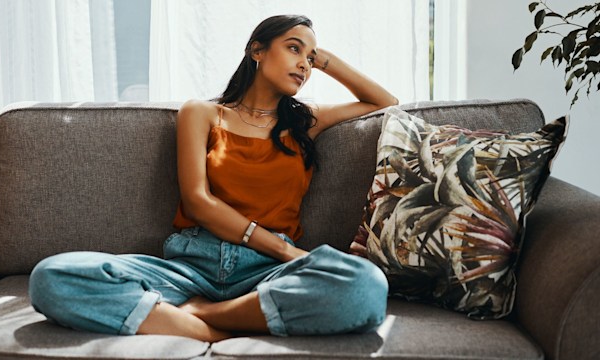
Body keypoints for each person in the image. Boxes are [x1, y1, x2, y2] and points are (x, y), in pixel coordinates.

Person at [29, 14, 398, 342]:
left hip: (268, 275)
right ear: (257, 50)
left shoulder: (306, 122)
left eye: (310, 59)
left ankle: (205, 316)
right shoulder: (202, 113)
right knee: (52, 276)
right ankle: (226, 324)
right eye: (293, 49)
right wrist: (285, 249)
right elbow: (198, 202)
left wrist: (325, 61)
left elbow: (385, 102)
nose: (304, 65)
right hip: (191, 266)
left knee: (365, 286)